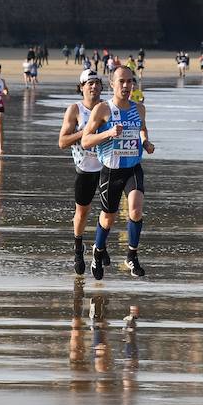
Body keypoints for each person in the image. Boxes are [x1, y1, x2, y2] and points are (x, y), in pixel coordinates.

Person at [80, 66, 155, 279]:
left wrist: (145, 142)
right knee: (108, 219)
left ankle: (131, 255)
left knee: (136, 210)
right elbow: (86, 141)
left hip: (133, 168)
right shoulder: (103, 110)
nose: (126, 86)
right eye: (121, 81)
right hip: (111, 171)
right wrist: (108, 134)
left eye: (130, 81)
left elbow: (142, 128)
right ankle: (98, 250)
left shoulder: (139, 108)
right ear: (112, 84)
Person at [58, 69, 105, 275]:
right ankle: (78, 248)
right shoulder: (75, 110)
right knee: (82, 212)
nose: (93, 86)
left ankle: (100, 246)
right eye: (89, 83)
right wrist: (85, 133)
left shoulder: (107, 108)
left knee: (108, 211)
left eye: (97, 83)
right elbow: (62, 142)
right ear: (82, 87)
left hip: (107, 167)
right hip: (85, 168)